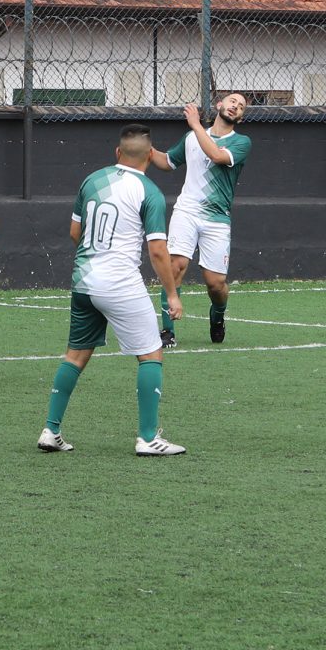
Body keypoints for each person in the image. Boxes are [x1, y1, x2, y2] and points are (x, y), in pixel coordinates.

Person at [38, 125, 188, 457]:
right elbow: (159, 251)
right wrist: (172, 294)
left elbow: (75, 231)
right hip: (120, 282)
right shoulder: (149, 192)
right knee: (151, 354)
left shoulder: (92, 180)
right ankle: (148, 439)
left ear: (117, 153)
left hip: (83, 280)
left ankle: (51, 430)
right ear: (150, 155)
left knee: (76, 354)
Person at [149, 93, 251, 344]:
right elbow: (168, 162)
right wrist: (146, 150)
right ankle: (167, 331)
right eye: (232, 101)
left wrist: (195, 125)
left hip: (217, 218)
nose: (235, 106)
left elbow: (216, 155)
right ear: (219, 105)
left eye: (240, 107)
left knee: (215, 284)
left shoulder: (241, 142)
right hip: (186, 211)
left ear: (241, 116)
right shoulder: (190, 138)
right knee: (175, 267)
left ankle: (217, 317)